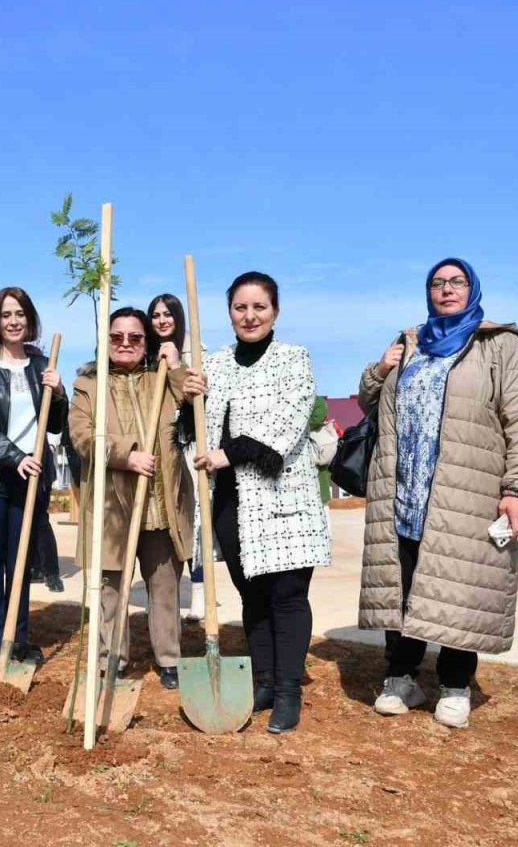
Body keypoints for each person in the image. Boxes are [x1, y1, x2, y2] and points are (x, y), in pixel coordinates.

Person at [358, 257, 518, 730]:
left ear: (472, 288)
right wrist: (380, 369)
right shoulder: (411, 342)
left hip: (466, 487)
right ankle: (400, 676)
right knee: (404, 585)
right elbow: (369, 403)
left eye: (456, 282)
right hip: (404, 489)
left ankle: (455, 685)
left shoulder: (498, 345)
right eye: (437, 283)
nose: (446, 290)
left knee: (457, 586)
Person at [190, 274, 330, 732]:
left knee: (287, 596)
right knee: (252, 594)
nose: (249, 317)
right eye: (240, 308)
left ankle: (289, 691)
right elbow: (196, 428)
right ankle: (265, 678)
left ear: (275, 311)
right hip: (231, 500)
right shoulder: (216, 364)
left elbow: (287, 424)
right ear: (229, 312)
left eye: (259, 308)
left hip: (282, 496)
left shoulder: (294, 359)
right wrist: (185, 397)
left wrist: (227, 454)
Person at [71, 307, 194, 690]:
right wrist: (127, 454)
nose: (125, 344)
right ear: (105, 341)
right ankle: (114, 659)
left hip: (162, 505)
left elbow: (192, 405)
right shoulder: (89, 385)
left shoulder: (162, 380)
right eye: (117, 337)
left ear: (147, 342)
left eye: (135, 337)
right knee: (111, 588)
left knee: (164, 586)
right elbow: (81, 437)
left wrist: (175, 368)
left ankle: (169, 659)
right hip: (113, 507)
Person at [0, 288, 67, 664]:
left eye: (20, 314)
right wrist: (15, 456)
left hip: (30, 479)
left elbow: (55, 425)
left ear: (30, 319)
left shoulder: (43, 368)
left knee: (20, 563)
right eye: (6, 315)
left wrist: (59, 394)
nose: (13, 321)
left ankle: (18, 638)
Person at [147, 292, 209, 622]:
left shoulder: (195, 352)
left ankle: (199, 593)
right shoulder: (144, 353)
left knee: (194, 526)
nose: (161, 320)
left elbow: (199, 401)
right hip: (158, 451)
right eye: (156, 315)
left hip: (189, 450)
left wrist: (175, 365)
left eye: (167, 314)